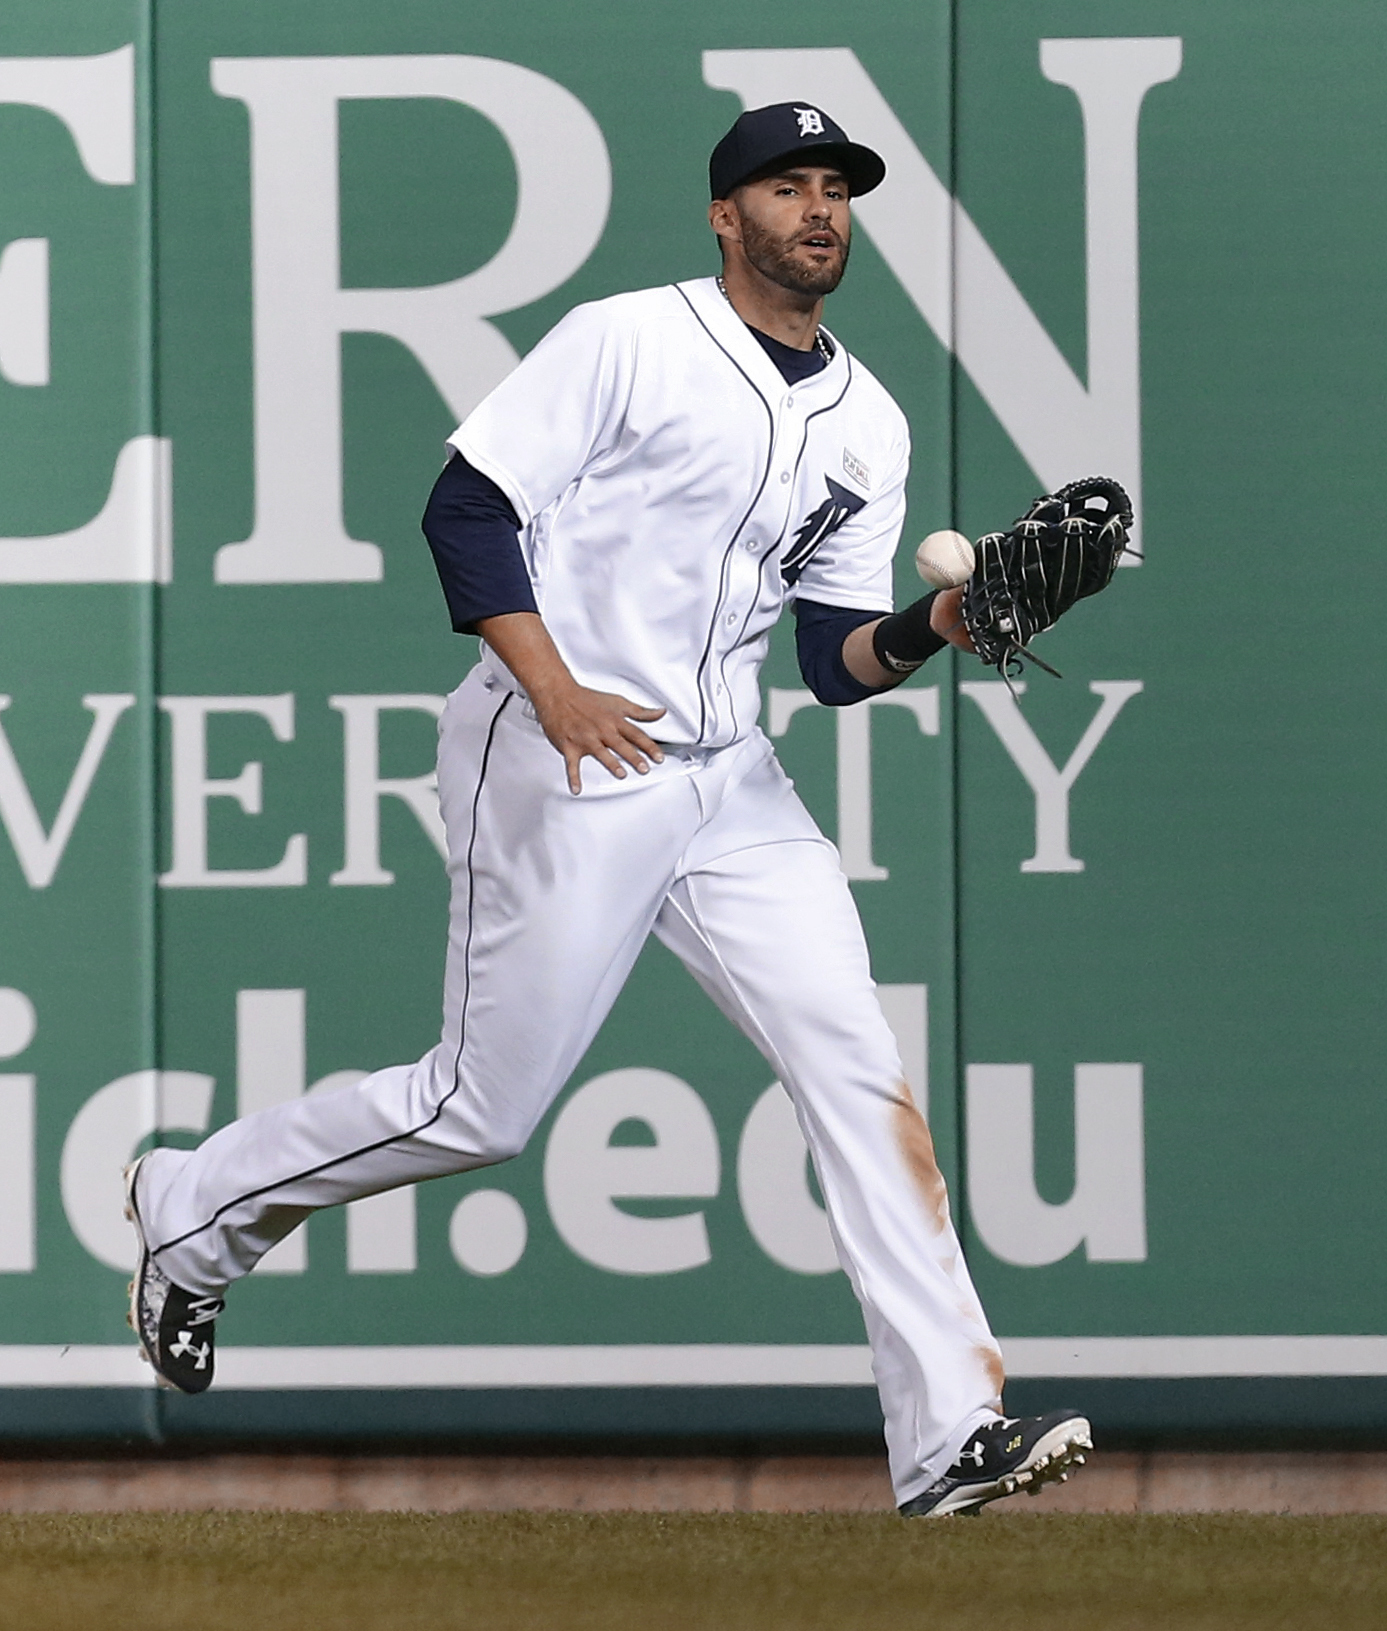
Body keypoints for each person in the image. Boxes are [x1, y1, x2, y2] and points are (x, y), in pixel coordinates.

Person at [124, 102, 1090, 1517]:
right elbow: (464, 511)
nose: (817, 210)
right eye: (786, 187)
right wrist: (557, 690)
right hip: (562, 750)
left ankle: (952, 1436)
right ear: (724, 215)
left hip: (728, 778)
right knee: (481, 1108)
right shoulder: (630, 338)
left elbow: (831, 664)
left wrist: (942, 618)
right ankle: (190, 1214)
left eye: (836, 189)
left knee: (856, 1071)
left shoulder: (868, 420)